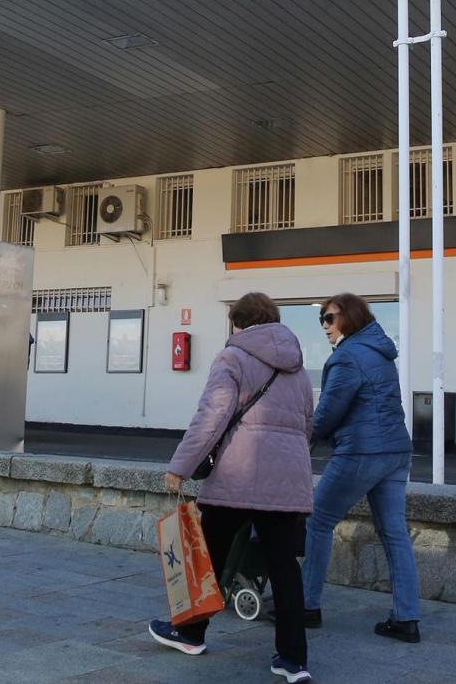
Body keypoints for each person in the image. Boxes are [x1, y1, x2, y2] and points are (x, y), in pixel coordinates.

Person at [148, 292, 316, 684]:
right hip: (287, 482)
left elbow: (211, 417)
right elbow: (308, 426)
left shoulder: (232, 358)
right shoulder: (299, 368)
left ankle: (190, 634)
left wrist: (180, 467)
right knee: (285, 568)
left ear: (238, 323)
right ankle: (293, 661)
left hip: (237, 478)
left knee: (209, 558)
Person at [300, 292, 422, 643]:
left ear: (350, 318)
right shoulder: (380, 353)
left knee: (318, 521)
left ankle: (306, 607)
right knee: (394, 533)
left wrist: (302, 437)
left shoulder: (348, 357)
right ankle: (406, 618)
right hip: (397, 451)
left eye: (329, 318)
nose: (324, 325)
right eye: (322, 318)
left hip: (362, 452)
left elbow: (328, 412)